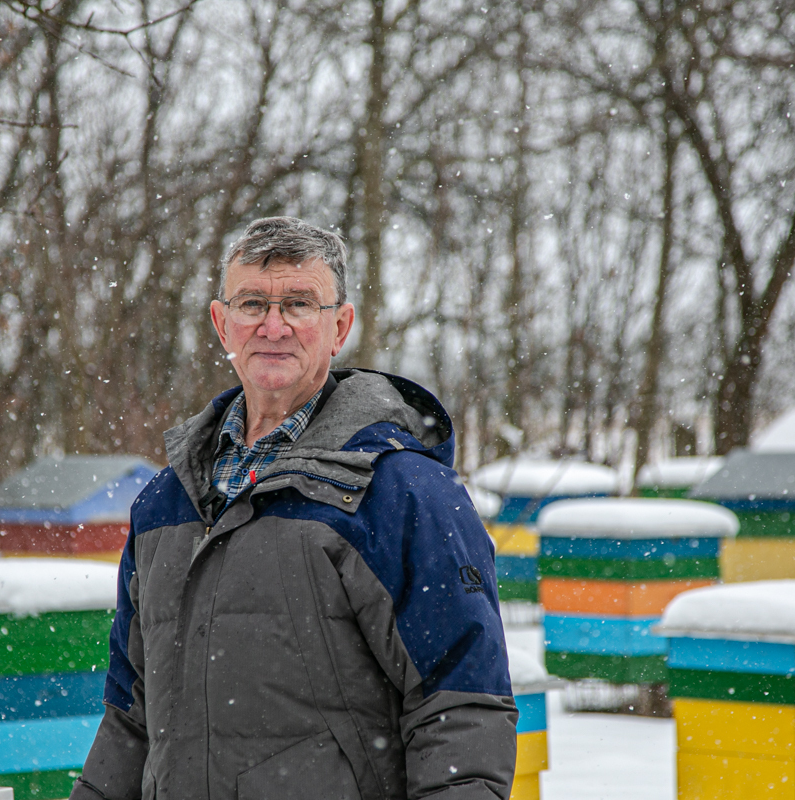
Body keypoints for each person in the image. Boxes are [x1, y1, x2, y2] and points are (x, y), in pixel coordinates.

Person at [71, 217, 517, 800]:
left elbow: (460, 706)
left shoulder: (404, 492)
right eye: (252, 302)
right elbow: (132, 716)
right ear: (220, 322)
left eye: (299, 304)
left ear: (340, 326)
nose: (272, 325)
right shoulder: (165, 502)